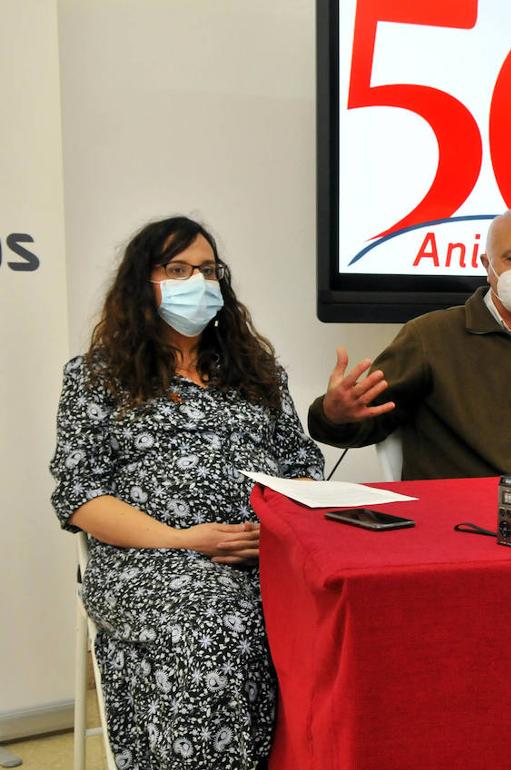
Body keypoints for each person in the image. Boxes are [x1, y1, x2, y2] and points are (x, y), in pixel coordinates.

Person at [49, 216, 325, 769]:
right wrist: (183, 540)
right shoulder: (97, 376)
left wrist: (272, 527)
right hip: (148, 561)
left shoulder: (257, 373)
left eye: (207, 269)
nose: (197, 281)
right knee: (212, 622)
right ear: (141, 284)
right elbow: (80, 495)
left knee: (338, 608)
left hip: (261, 554)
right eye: (177, 269)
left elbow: (302, 467)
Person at [308, 206, 511, 479]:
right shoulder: (429, 337)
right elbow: (368, 420)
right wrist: (332, 415)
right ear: (488, 265)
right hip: (450, 524)